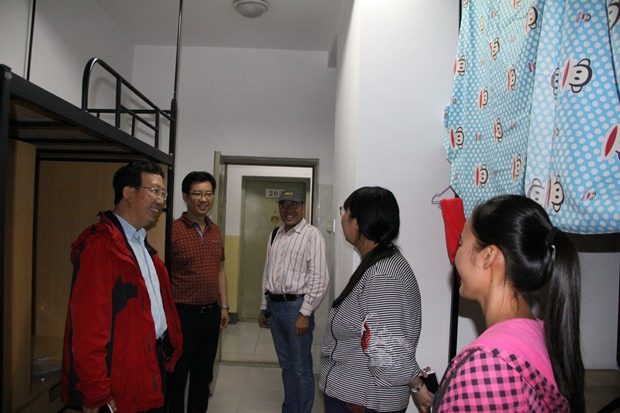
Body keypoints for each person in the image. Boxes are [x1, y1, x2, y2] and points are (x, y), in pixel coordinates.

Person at [431, 195, 584, 413]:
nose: (456, 254)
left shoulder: (487, 369)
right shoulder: (540, 334)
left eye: (462, 243)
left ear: (488, 256)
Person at [61, 160, 183, 413]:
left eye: (163, 193)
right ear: (128, 192)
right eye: (154, 191)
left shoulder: (139, 243)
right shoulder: (102, 247)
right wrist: (96, 390)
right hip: (121, 378)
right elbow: (88, 327)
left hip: (149, 364)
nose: (160, 200)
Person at [320, 186, 431, 413]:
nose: (342, 218)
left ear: (357, 222)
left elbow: (387, 350)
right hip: (357, 396)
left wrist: (417, 385)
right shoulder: (378, 264)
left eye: (345, 211)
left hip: (363, 399)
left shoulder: (383, 276)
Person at [257, 188, 329, 413]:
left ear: (303, 207)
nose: (288, 210)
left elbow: (319, 278)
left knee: (301, 369)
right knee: (286, 366)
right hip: (275, 308)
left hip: (296, 309)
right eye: (284, 205)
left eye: (294, 204)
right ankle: (289, 409)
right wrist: (264, 307)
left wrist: (305, 313)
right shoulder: (275, 234)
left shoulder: (312, 235)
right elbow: (268, 272)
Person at [167, 171, 229, 413]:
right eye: (197, 193)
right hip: (181, 315)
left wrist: (224, 306)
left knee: (203, 377)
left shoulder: (215, 231)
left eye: (209, 194)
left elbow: (220, 270)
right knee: (177, 376)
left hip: (210, 314)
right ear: (185, 196)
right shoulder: (172, 230)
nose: (204, 199)